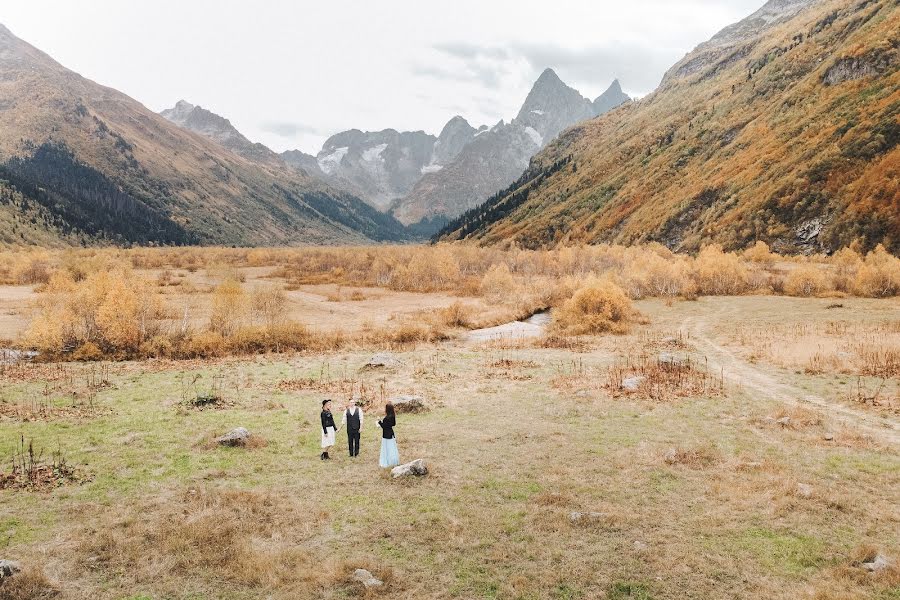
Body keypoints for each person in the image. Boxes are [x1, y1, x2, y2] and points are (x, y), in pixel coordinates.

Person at [377, 402, 400, 468]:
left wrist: (379, 421)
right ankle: (393, 461)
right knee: (392, 448)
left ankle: (388, 461)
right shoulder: (393, 416)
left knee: (387, 449)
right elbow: (393, 424)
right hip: (391, 433)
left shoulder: (386, 418)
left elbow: (383, 426)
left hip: (386, 435)